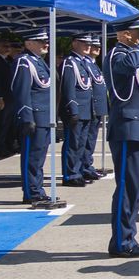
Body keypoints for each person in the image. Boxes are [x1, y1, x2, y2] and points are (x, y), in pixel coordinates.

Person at [106, 16, 139, 257]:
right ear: (126, 34)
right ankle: (120, 242)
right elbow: (126, 68)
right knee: (126, 187)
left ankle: (128, 237)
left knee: (135, 188)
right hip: (128, 128)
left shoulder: (133, 56)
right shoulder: (117, 55)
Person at [10, 29, 54, 204]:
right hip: (33, 117)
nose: (46, 44)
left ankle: (38, 189)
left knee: (39, 157)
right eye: (40, 41)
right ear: (28, 43)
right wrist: (26, 117)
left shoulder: (39, 62)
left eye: (46, 41)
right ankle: (31, 193)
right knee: (31, 157)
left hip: (43, 118)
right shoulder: (24, 62)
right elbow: (21, 92)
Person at [59, 33, 96, 186]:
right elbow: (68, 88)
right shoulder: (70, 63)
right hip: (76, 110)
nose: (88, 45)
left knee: (81, 143)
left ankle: (78, 171)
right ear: (74, 43)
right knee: (72, 144)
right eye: (83, 42)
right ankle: (70, 175)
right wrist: (73, 109)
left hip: (86, 110)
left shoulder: (83, 63)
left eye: (89, 43)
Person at [84, 36, 109, 180]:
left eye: (98, 46)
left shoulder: (93, 64)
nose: (97, 49)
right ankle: (84, 166)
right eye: (94, 46)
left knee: (91, 139)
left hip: (97, 107)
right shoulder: (85, 64)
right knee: (86, 140)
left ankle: (88, 165)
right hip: (90, 107)